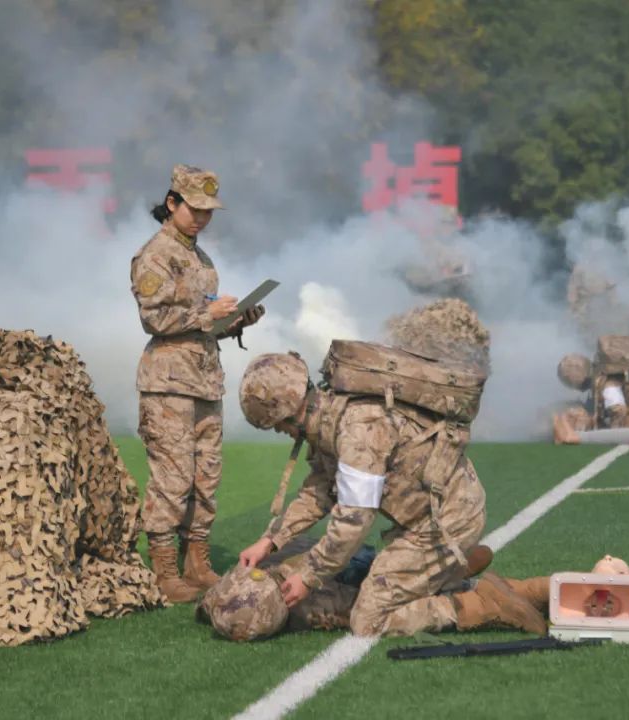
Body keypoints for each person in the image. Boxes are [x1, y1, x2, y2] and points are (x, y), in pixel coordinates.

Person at [233, 352, 549, 638]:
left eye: (278, 427)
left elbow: (353, 522)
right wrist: (271, 540)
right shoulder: (331, 417)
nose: (282, 433)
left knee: (369, 619)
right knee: (380, 583)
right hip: (425, 519)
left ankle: (481, 604)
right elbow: (319, 490)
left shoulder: (359, 432)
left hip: (444, 523)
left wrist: (308, 576)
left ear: (282, 414)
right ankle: (447, 576)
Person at [130, 164, 264, 603]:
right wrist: (208, 316)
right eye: (195, 209)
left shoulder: (201, 259)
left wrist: (236, 319)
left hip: (205, 381)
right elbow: (154, 319)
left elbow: (202, 327)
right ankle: (165, 571)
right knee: (172, 478)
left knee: (206, 477)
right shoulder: (156, 254)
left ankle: (197, 562)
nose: (202, 218)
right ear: (172, 203)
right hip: (168, 384)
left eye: (209, 212)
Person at [197, 537, 544, 642]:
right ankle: (451, 576)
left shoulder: (302, 605)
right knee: (368, 568)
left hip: (327, 564)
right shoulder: (223, 596)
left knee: (373, 613)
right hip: (327, 553)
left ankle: (466, 599)